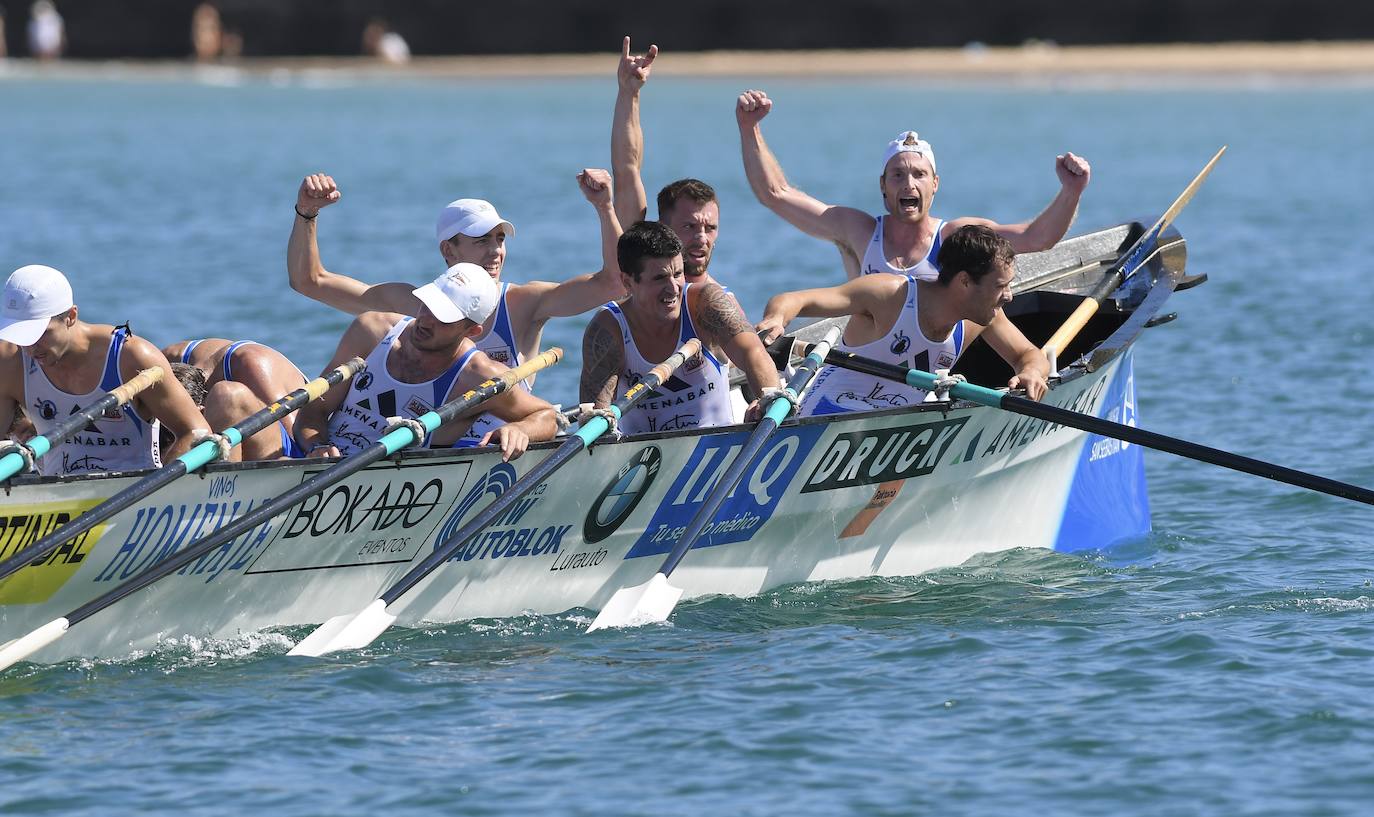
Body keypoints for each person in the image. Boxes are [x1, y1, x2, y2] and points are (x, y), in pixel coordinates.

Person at [289, 167, 624, 391]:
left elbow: (615, 284)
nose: (496, 251)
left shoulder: (524, 303)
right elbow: (309, 281)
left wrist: (604, 207)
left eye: (500, 239)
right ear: (448, 250)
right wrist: (307, 212)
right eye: (482, 241)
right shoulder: (409, 304)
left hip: (505, 442)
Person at [736, 88, 1092, 282]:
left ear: (934, 184)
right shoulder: (855, 230)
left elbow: (1036, 238)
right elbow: (776, 194)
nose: (909, 183)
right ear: (883, 186)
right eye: (898, 175)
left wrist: (1071, 191)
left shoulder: (957, 237)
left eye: (919, 175)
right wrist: (749, 127)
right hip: (867, 369)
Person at [756, 225, 1049, 416]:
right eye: (1001, 286)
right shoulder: (889, 295)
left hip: (890, 432)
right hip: (826, 413)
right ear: (964, 282)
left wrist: (1032, 373)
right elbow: (794, 300)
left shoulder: (983, 318)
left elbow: (1028, 354)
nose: (1009, 296)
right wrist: (776, 318)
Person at [294, 263, 557, 461]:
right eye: (428, 305)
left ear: (471, 331)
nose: (426, 320)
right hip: (325, 463)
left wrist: (520, 429)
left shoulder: (477, 377)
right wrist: (317, 446)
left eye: (443, 317)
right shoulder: (372, 331)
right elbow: (313, 410)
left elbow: (546, 417)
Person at [0, 265, 210, 476]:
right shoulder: (10, 362)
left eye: (41, 333)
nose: (29, 347)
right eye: (21, 335)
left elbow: (195, 431)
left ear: (71, 316)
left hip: (134, 494)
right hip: (54, 497)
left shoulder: (131, 357)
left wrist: (164, 484)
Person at [580, 221, 780, 435]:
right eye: (659, 278)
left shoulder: (707, 303)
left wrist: (767, 400)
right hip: (643, 459)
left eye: (677, 274)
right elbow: (595, 416)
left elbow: (753, 352)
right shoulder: (608, 329)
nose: (673, 288)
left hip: (717, 446)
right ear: (628, 282)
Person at [612, 37, 726, 289]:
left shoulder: (722, 301)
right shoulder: (636, 275)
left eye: (710, 227)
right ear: (664, 227)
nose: (701, 238)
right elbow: (627, 170)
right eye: (689, 226)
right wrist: (629, 92)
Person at [161, 338, 308, 460]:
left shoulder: (254, 365)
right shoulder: (164, 360)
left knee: (227, 396)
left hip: (282, 449)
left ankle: (222, 482)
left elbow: (300, 437)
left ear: (202, 411)